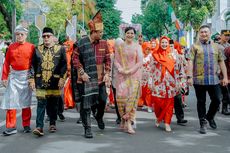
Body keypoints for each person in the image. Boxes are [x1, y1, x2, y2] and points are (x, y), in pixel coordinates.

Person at [72, 10, 111, 138]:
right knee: (86, 105)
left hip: (100, 79)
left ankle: (99, 117)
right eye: (100, 32)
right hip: (85, 79)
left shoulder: (104, 44)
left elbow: (108, 59)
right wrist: (81, 72)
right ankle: (87, 128)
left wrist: (107, 73)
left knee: (102, 101)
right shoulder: (82, 42)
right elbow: (75, 59)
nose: (102, 34)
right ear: (93, 32)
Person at [187, 25, 228, 134]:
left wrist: (225, 77)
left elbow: (221, 62)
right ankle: (203, 123)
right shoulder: (194, 47)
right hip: (198, 80)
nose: (204, 34)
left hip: (213, 79)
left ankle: (209, 116)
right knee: (201, 102)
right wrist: (189, 76)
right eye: (202, 32)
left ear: (210, 33)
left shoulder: (217, 47)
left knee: (217, 99)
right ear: (199, 34)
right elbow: (190, 62)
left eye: (206, 32)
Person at [29, 27, 67, 136]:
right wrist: (31, 79)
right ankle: (39, 126)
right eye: (44, 36)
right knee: (41, 104)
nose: (46, 38)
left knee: (53, 104)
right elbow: (32, 65)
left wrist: (62, 78)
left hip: (55, 82)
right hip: (40, 81)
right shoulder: (37, 49)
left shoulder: (60, 49)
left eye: (48, 36)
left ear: (53, 37)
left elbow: (64, 65)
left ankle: (52, 123)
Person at [0, 25, 35, 136]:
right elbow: (6, 63)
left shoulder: (31, 47)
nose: (19, 36)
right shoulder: (11, 47)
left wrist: (33, 78)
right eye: (17, 34)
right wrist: (4, 78)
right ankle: (11, 127)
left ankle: (26, 125)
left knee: (26, 102)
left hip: (26, 77)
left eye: (22, 34)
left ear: (26, 35)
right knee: (11, 102)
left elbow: (35, 64)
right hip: (14, 77)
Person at [149, 36, 186, 132]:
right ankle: (159, 117)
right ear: (160, 43)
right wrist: (150, 81)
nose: (164, 44)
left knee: (169, 103)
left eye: (166, 43)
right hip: (158, 83)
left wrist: (180, 82)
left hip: (171, 83)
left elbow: (179, 68)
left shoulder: (174, 54)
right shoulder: (155, 54)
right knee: (158, 103)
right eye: (163, 42)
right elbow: (151, 69)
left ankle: (167, 123)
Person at [114, 27, 143, 134]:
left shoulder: (137, 46)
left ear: (134, 35)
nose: (130, 35)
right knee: (121, 100)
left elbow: (140, 62)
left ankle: (129, 123)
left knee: (131, 100)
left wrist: (130, 70)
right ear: (125, 34)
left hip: (134, 76)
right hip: (121, 76)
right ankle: (123, 118)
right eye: (128, 33)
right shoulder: (120, 46)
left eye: (132, 33)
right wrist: (120, 69)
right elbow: (116, 61)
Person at [138, 41, 153, 113]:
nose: (147, 51)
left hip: (149, 76)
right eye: (146, 49)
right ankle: (144, 103)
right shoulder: (140, 56)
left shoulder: (151, 56)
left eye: (149, 49)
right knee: (142, 91)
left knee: (148, 91)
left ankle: (149, 105)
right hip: (141, 77)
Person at [218, 30, 230, 115]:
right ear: (221, 35)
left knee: (226, 91)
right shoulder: (217, 46)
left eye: (228, 35)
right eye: (225, 35)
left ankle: (224, 107)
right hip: (219, 71)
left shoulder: (229, 45)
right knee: (222, 91)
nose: (227, 37)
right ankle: (221, 107)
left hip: (227, 71)